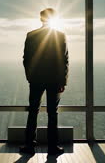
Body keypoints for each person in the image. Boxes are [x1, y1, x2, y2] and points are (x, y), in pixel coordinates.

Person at [19, 8, 69, 156]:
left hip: (36, 79)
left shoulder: (31, 35)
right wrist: (62, 81)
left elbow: (26, 59)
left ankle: (29, 146)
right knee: (52, 113)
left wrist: (30, 77)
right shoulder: (60, 36)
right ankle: (52, 148)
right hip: (54, 80)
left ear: (41, 19)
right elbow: (64, 60)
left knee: (33, 111)